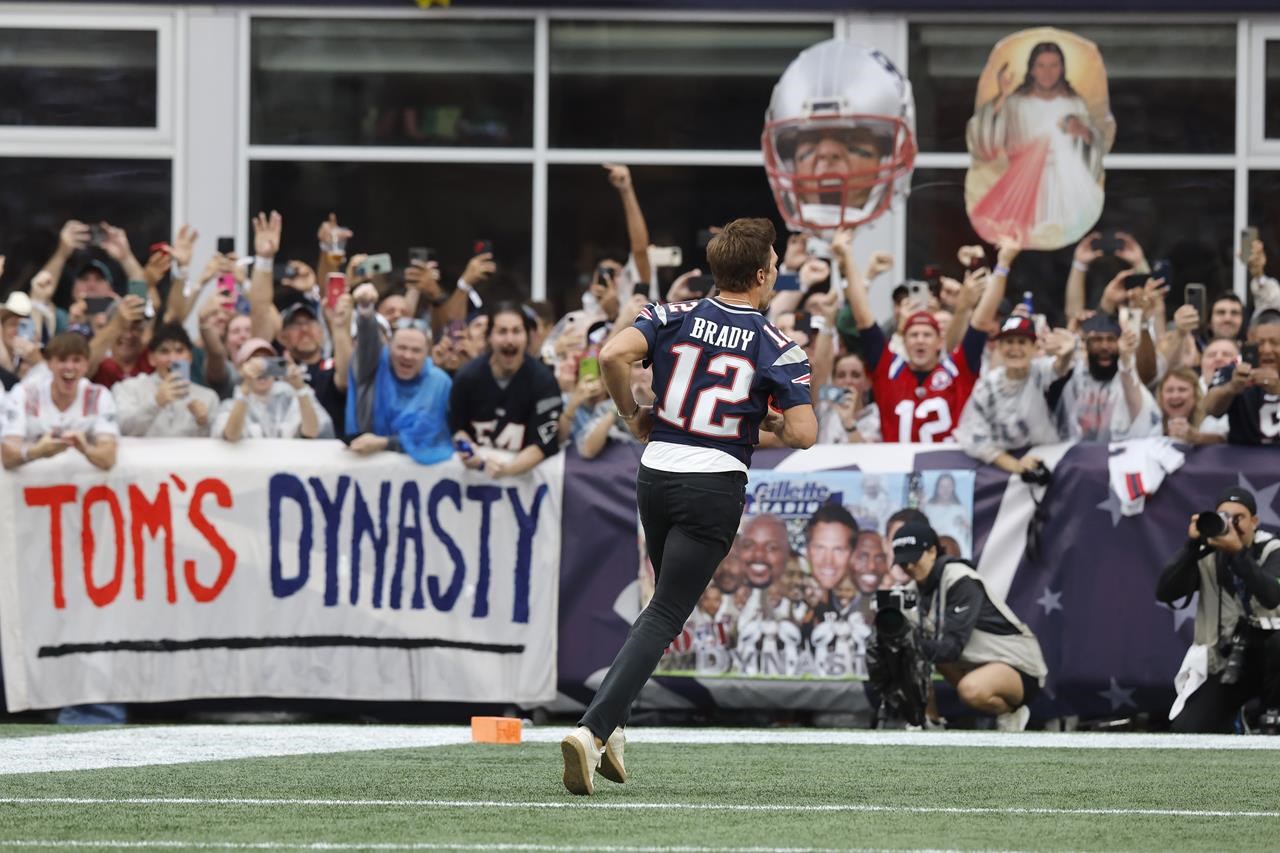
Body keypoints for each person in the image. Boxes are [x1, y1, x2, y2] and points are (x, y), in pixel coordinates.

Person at [560, 217, 817, 795]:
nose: (777, 269)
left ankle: (614, 725)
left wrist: (633, 415)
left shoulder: (670, 315)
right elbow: (804, 433)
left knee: (657, 606)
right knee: (666, 613)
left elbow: (610, 358)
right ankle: (593, 730)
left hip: (656, 472)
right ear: (759, 274)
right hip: (715, 480)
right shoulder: (776, 343)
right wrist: (764, 419)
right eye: (774, 261)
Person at [838, 229, 1010, 442]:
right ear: (904, 340)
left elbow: (982, 320)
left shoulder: (957, 369)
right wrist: (847, 256)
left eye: (927, 335)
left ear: (940, 342)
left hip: (948, 473)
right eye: (914, 335)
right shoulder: (887, 369)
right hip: (897, 473)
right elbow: (862, 317)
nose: (920, 339)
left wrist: (1003, 266)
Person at [891, 520, 1048, 731]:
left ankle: (1011, 711)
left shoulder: (960, 580)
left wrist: (904, 643)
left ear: (932, 552)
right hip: (975, 662)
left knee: (970, 690)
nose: (908, 567)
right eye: (902, 562)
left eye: (913, 559)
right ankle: (928, 721)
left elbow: (951, 647)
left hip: (1019, 665)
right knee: (910, 654)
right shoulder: (910, 591)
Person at [1156, 487, 1280, 733]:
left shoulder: (1273, 550)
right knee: (1187, 731)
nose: (1231, 526)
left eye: (1239, 518)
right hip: (1228, 660)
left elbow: (1271, 597)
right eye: (1224, 517)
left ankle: (1272, 715)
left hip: (1274, 660)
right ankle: (1235, 722)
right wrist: (1191, 547)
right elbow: (1165, 592)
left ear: (1254, 521)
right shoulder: (1207, 554)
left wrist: (1238, 554)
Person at [966, 41, 1108, 247]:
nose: (1047, 72)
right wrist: (1003, 95)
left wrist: (1083, 133)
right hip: (1023, 181)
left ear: (1062, 69)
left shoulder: (1074, 103)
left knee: (1064, 231)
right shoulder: (1015, 103)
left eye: (1053, 65)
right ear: (1031, 69)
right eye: (1041, 66)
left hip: (1067, 182)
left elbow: (1093, 146)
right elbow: (985, 138)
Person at [449, 302, 563, 478]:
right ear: (489, 337)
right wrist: (467, 450)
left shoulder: (543, 381)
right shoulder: (467, 377)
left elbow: (544, 443)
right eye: (502, 331)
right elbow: (457, 428)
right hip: (472, 484)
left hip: (524, 485)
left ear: (527, 336)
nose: (509, 340)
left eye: (516, 331)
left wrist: (506, 471)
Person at [343, 283, 452, 463]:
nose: (407, 355)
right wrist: (365, 309)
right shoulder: (374, 367)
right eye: (401, 347)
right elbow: (368, 342)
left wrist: (383, 443)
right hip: (363, 465)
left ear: (427, 353)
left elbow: (432, 436)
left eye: (416, 350)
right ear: (389, 347)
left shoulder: (439, 383)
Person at [956, 316, 1073, 474]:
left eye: (1022, 342)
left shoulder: (1041, 373)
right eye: (1009, 342)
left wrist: (1067, 353)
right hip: (1004, 470)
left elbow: (1059, 368)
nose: (1015, 348)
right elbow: (975, 438)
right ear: (999, 347)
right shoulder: (987, 386)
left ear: (1034, 347)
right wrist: (1018, 467)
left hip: (1051, 461)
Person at [2, 332, 119, 471]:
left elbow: (108, 458)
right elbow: (6, 456)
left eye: (76, 360)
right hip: (30, 487)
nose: (69, 367)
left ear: (86, 365)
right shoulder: (25, 394)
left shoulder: (98, 396)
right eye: (62, 360)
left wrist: (85, 449)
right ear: (49, 364)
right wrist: (36, 453)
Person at [1053, 313, 1161, 442]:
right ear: (1086, 345)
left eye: (1111, 339)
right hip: (1079, 456)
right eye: (1097, 340)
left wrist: (1126, 357)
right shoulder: (1077, 379)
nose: (1104, 346)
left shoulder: (1126, 381)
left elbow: (1128, 377)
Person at [212, 338, 331, 442]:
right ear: (241, 368)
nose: (262, 369)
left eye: (268, 362)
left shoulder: (291, 398)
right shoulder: (230, 405)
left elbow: (311, 432)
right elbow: (231, 435)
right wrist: (246, 386)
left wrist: (300, 388)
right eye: (254, 362)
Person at [114, 323, 220, 437]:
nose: (173, 359)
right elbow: (123, 430)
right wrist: (156, 403)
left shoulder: (208, 397)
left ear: (190, 357)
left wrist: (203, 423)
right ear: (151, 358)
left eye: (179, 351)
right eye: (164, 351)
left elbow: (218, 442)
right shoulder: (129, 388)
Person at [1204, 310, 1280, 446]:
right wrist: (1231, 388)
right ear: (1249, 340)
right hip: (1242, 460)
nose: (1267, 350)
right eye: (1260, 343)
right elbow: (1210, 408)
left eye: (1275, 343)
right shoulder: (1233, 371)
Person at [816, 352, 881, 443]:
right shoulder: (823, 409)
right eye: (841, 375)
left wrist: (848, 421)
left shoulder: (876, 414)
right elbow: (820, 365)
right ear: (833, 381)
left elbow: (864, 454)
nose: (848, 381)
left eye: (855, 375)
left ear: (867, 382)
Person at [1158, 368, 1225, 446]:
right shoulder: (1153, 424)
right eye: (1169, 390)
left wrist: (1196, 437)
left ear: (1195, 396)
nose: (1175, 396)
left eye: (1182, 390)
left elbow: (1223, 439)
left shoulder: (1209, 421)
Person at [804, 504, 858, 593]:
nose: (828, 562)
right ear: (807, 551)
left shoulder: (880, 599)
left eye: (838, 550)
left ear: (853, 553)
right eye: (819, 548)